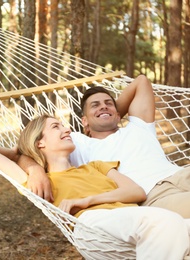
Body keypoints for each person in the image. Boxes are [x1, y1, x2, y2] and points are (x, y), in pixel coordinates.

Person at [0, 115, 190, 260]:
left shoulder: (95, 166)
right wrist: (21, 156)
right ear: (40, 143)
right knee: (166, 221)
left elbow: (136, 192)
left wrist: (87, 200)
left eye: (64, 125)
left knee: (176, 227)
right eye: (56, 127)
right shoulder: (37, 181)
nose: (67, 129)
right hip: (92, 228)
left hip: (131, 221)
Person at [23, 75, 190, 218]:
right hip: (154, 195)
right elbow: (21, 151)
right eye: (94, 105)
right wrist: (34, 169)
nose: (103, 106)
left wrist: (109, 114)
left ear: (119, 113)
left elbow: (141, 81)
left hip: (182, 174)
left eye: (109, 103)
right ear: (84, 121)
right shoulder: (78, 143)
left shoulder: (139, 126)